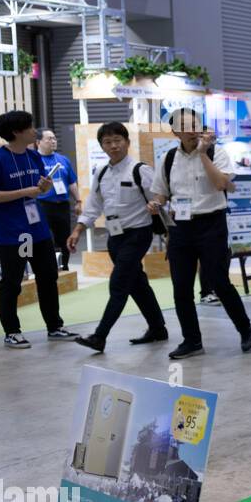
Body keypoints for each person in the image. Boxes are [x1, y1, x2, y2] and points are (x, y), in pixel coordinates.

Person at [148, 107, 251, 359]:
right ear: (175, 131)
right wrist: (155, 203)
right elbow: (161, 193)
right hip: (180, 228)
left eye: (195, 124)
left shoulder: (216, 152)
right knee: (181, 287)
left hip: (212, 224)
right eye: (185, 126)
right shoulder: (168, 159)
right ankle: (192, 340)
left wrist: (202, 154)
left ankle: (245, 328)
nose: (192, 130)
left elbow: (221, 184)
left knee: (219, 282)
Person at [67, 122, 168, 352]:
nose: (113, 146)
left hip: (138, 233)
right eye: (108, 142)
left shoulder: (140, 169)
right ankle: (158, 328)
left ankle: (99, 336)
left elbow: (160, 197)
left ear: (127, 142)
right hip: (114, 237)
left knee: (119, 283)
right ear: (102, 146)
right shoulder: (101, 172)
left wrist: (157, 203)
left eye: (117, 141)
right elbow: (93, 206)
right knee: (137, 283)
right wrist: (78, 229)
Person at [0, 110, 75, 348]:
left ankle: (54, 326)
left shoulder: (33, 157)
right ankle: (12, 331)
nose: (35, 131)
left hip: (38, 229)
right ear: (16, 132)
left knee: (48, 276)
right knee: (13, 281)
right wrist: (25, 192)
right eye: (31, 127)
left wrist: (43, 187)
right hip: (15, 233)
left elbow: (38, 189)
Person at [34, 129, 79, 271]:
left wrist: (78, 200)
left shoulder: (63, 160)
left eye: (54, 138)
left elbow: (72, 182)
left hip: (62, 205)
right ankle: (48, 268)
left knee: (64, 237)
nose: (53, 141)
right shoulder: (33, 160)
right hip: (42, 205)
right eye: (49, 139)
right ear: (38, 142)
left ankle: (64, 266)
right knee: (46, 238)